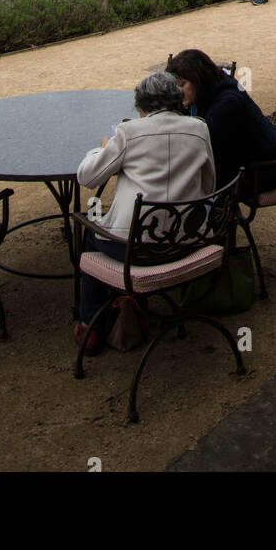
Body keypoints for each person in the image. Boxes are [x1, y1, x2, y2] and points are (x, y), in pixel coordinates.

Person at [74, 71, 216, 347]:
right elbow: (209, 186)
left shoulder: (129, 132)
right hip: (186, 241)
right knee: (134, 225)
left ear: (141, 106)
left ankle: (90, 325)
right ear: (177, 100)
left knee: (92, 230)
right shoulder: (200, 129)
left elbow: (87, 178)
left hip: (134, 250)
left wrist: (99, 149)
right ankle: (133, 309)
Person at [168, 49, 276, 194]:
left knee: (192, 184)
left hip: (268, 168)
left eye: (182, 84)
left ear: (199, 79)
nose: (178, 91)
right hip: (249, 160)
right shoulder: (213, 87)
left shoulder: (227, 103)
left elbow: (205, 148)